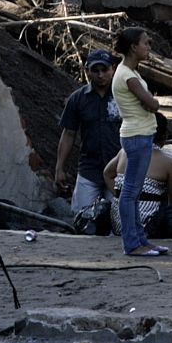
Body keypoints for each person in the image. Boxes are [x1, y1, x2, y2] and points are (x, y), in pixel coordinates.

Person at [54, 49, 123, 235]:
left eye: (105, 70)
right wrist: (60, 167)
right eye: (96, 70)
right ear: (88, 71)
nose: (100, 75)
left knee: (119, 224)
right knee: (82, 220)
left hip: (118, 170)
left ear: (113, 69)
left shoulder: (123, 96)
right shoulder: (78, 99)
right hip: (89, 170)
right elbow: (69, 134)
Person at [111, 27, 166, 257]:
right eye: (145, 43)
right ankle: (132, 243)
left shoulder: (130, 72)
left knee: (133, 191)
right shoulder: (128, 76)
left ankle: (141, 240)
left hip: (139, 134)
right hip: (137, 136)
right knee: (131, 192)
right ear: (134, 46)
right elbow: (152, 105)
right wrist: (152, 102)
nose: (148, 47)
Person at [105, 113, 172, 241]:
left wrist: (119, 195)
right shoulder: (169, 163)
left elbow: (107, 174)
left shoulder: (124, 152)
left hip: (119, 223)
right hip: (148, 226)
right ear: (164, 136)